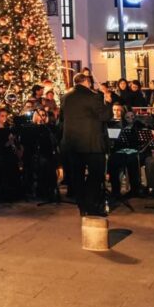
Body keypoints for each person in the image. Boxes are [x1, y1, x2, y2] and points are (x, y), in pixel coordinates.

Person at [59, 74, 112, 217]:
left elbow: (62, 118)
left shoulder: (65, 97)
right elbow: (105, 116)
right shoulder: (93, 96)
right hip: (91, 143)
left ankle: (82, 206)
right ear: (86, 82)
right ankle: (92, 205)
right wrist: (108, 101)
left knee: (77, 176)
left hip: (71, 143)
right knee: (96, 174)